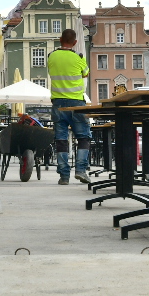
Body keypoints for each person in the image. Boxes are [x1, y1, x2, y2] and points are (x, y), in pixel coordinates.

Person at [46, 29, 92, 184]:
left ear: (60, 39)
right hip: (77, 103)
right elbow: (85, 73)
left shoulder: (51, 56)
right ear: (75, 42)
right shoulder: (78, 57)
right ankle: (80, 170)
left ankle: (64, 176)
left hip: (58, 103)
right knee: (83, 137)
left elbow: (51, 70)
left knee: (61, 139)